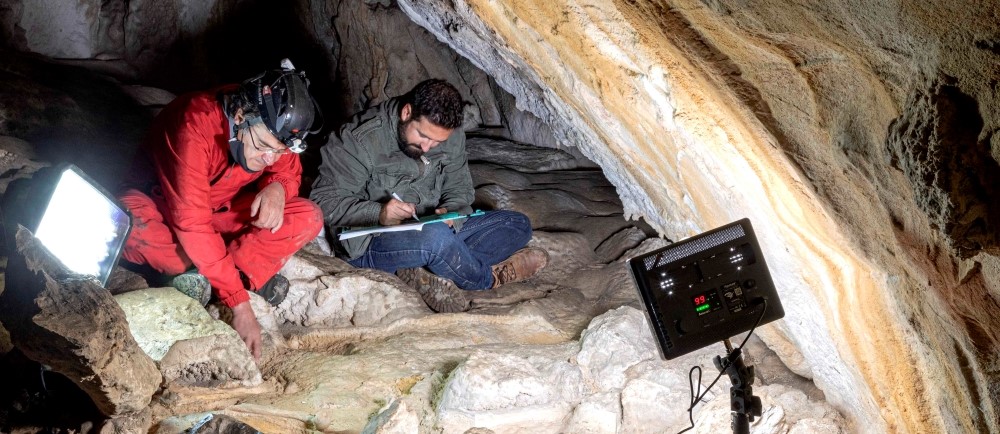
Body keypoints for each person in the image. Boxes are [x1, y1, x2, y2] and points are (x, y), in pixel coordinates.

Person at [117, 60, 323, 360]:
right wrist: (239, 305)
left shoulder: (268, 131)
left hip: (218, 210)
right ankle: (224, 278)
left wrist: (278, 186)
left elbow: (288, 168)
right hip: (164, 208)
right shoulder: (193, 124)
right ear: (240, 115)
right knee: (128, 225)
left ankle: (211, 276)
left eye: (278, 150)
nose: (268, 158)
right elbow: (192, 222)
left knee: (307, 216)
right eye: (264, 146)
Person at [310, 79, 548, 312]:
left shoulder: (451, 137)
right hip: (372, 244)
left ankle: (431, 271)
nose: (427, 147)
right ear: (406, 112)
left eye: (437, 141)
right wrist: (379, 213)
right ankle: (485, 279)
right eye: (423, 136)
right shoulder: (357, 140)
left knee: (517, 225)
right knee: (435, 239)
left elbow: (460, 191)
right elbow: (324, 203)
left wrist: (452, 215)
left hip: (430, 230)